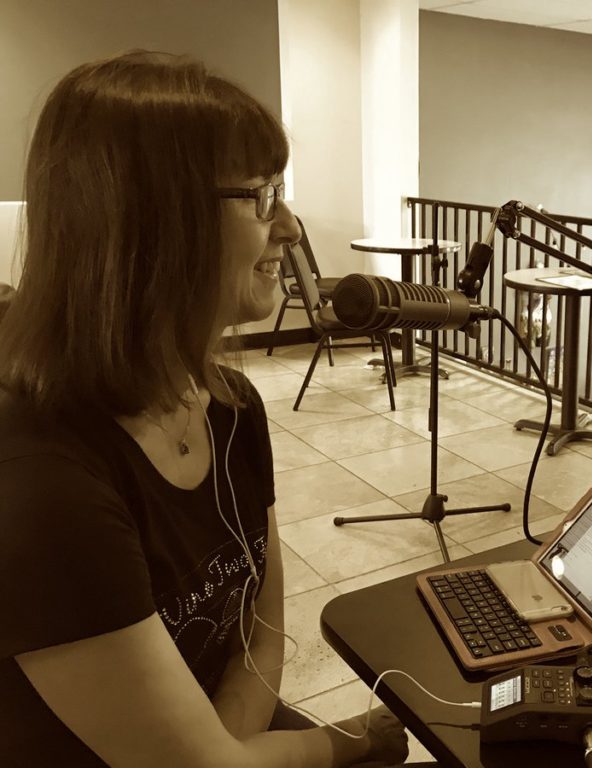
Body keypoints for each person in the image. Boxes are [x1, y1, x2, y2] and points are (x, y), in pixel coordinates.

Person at [0, 51, 410, 767]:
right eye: (261, 197)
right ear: (153, 221)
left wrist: (232, 740)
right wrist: (350, 738)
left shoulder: (230, 405)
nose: (290, 226)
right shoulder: (41, 483)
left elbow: (262, 628)